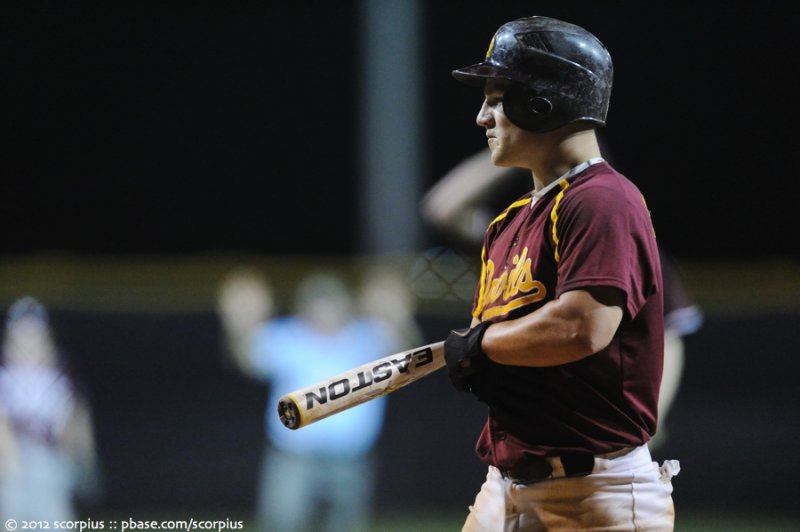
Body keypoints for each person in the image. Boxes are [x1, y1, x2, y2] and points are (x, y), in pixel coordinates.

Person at [439, 16, 681, 530]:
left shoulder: (603, 200)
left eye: (498, 96)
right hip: (505, 485)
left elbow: (582, 326)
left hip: (594, 497)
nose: (483, 116)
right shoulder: (510, 221)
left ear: (542, 102)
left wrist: (481, 347)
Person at [422, 149, 703, 452]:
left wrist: (652, 417)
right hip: (526, 437)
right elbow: (442, 208)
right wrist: (515, 152)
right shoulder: (516, 236)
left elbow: (667, 332)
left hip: (596, 436)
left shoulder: (617, 232)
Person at [216, 267, 421, 532]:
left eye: (332, 302)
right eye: (317, 303)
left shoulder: (366, 336)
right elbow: (246, 359)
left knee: (345, 526)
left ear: (347, 305)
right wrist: (240, 325)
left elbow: (409, 356)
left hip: (350, 459)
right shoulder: (289, 336)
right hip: (294, 458)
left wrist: (398, 317)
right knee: (282, 524)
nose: (325, 311)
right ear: (303, 307)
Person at [0, 296, 100, 521]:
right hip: (9, 463)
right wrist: (10, 465)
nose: (28, 338)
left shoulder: (61, 370)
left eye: (33, 331)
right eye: (22, 331)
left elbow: (75, 416)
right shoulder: (4, 369)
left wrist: (81, 456)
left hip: (49, 459)